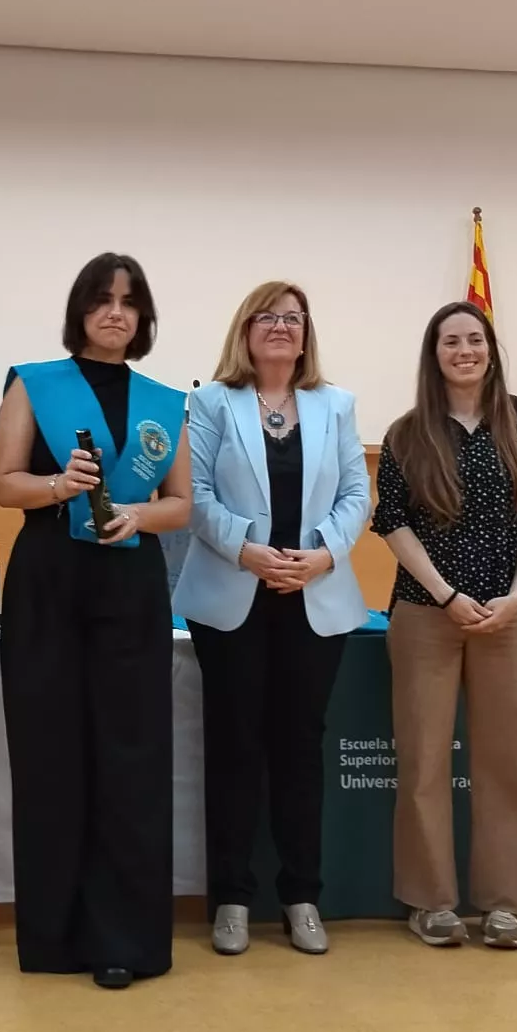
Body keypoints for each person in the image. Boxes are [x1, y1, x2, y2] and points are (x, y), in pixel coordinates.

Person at [0, 253, 191, 989]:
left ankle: (124, 939)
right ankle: (53, 936)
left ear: (143, 319)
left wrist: (136, 513)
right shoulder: (33, 383)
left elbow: (181, 504)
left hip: (130, 584)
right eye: (103, 300)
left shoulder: (165, 401)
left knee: (130, 759)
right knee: (51, 753)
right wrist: (55, 484)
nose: (116, 312)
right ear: (80, 310)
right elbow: (4, 485)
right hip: (48, 582)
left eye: (130, 302)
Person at [173, 281, 370, 957]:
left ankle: (301, 895)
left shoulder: (334, 404)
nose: (282, 327)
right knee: (233, 748)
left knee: (298, 749)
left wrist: (320, 556)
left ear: (306, 332)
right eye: (268, 317)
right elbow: (192, 496)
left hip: (314, 598)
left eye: (293, 318)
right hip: (234, 596)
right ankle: (231, 896)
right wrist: (247, 551)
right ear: (246, 330)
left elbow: (355, 492)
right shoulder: (210, 403)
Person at [373, 300, 517, 950]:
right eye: (451, 341)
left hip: (505, 617)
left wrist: (515, 597)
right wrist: (447, 594)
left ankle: (505, 903)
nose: (464, 350)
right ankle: (432, 903)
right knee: (423, 762)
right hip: (427, 614)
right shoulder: (406, 433)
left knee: (503, 765)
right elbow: (391, 522)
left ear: (489, 348)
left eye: (474, 339)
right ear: (435, 354)